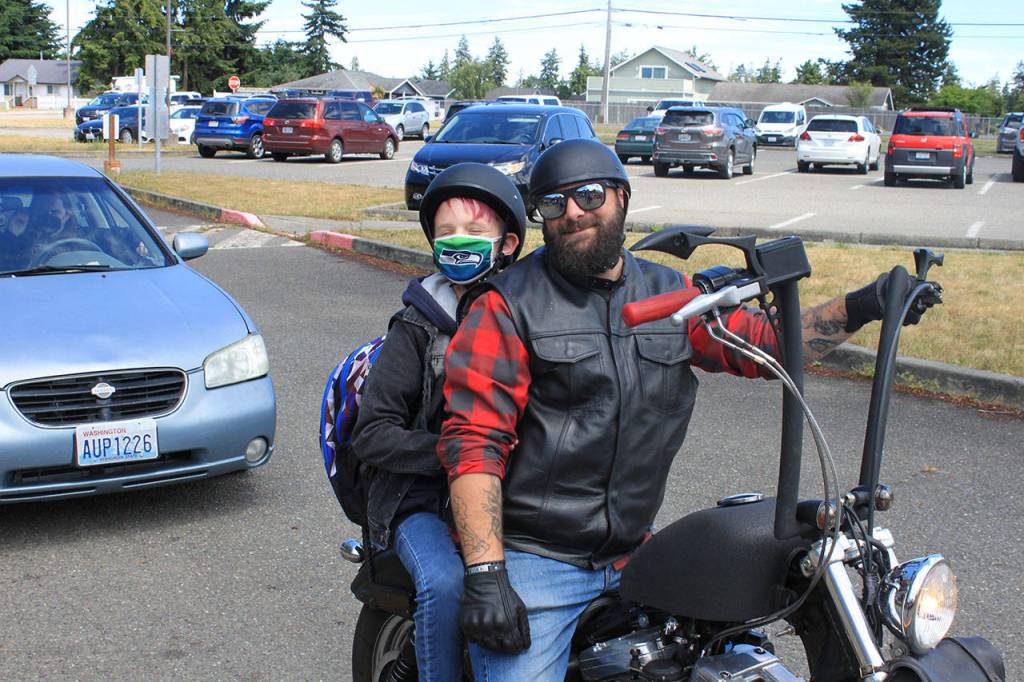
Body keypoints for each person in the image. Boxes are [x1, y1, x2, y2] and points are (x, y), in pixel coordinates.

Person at [436, 139, 940, 679]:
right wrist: (487, 572)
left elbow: (764, 347)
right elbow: (475, 446)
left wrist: (863, 305)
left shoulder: (670, 293)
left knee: (735, 651)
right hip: (535, 556)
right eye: (553, 204)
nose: (573, 213)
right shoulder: (507, 305)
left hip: (636, 547)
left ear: (622, 198)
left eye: (587, 195)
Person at [350, 162, 526, 681]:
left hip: (510, 489)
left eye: (474, 231)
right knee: (447, 583)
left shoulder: (527, 309)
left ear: (509, 243)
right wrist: (456, 452)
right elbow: (373, 433)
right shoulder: (417, 325)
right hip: (416, 499)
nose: (458, 243)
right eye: (446, 232)